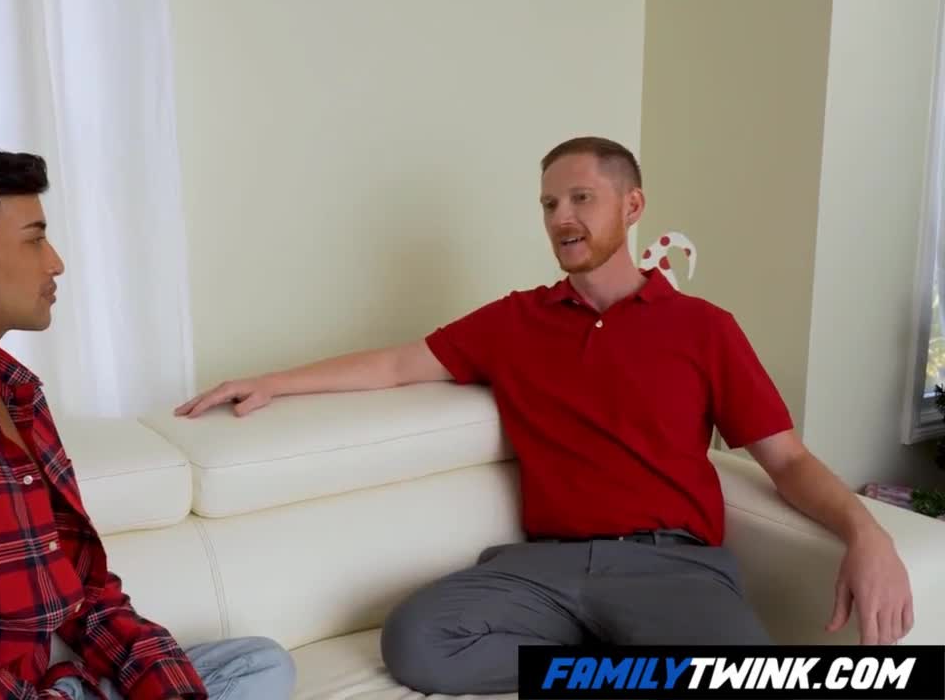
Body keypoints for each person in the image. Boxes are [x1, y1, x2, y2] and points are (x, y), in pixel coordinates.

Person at [173, 136, 914, 695]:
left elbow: (787, 459)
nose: (562, 219)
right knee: (418, 642)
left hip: (672, 566)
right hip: (545, 571)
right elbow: (398, 364)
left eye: (581, 199)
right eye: (549, 205)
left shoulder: (704, 328)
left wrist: (867, 534)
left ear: (632, 207)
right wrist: (272, 382)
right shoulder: (516, 321)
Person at [0, 146, 295, 700]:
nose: (55, 262)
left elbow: (87, 595)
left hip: (40, 688)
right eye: (34, 239)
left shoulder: (15, 395)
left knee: (259, 665)